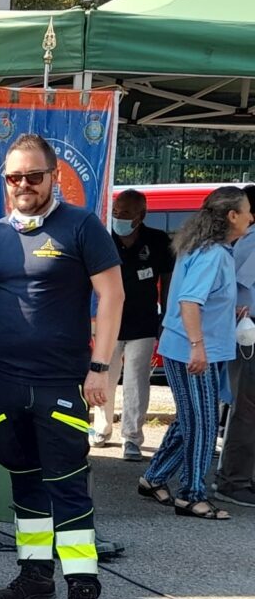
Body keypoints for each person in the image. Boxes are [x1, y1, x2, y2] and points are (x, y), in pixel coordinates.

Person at [0, 133, 123, 599]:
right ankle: (36, 576)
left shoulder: (82, 226)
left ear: (53, 176)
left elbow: (112, 294)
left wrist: (100, 367)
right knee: (24, 479)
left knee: (69, 486)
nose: (23, 185)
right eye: (13, 177)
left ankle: (83, 591)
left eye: (33, 176)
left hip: (61, 380)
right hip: (5, 383)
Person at [138, 185, 251, 520]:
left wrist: (226, 315)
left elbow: (198, 300)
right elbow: (189, 302)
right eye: (247, 211)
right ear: (232, 216)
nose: (251, 217)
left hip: (190, 347)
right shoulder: (214, 254)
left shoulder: (206, 249)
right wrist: (197, 346)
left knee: (190, 420)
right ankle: (191, 494)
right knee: (201, 424)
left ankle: (154, 478)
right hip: (194, 352)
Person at [89, 188, 175, 461]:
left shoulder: (158, 240)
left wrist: (166, 317)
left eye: (125, 213)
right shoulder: (103, 236)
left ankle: (132, 438)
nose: (119, 217)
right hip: (108, 323)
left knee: (137, 381)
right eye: (116, 212)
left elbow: (167, 279)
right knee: (105, 377)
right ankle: (101, 430)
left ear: (141, 215)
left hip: (144, 322)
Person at [213, 184, 255, 507]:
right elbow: (241, 285)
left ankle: (241, 477)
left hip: (246, 331)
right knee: (246, 408)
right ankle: (233, 480)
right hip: (249, 334)